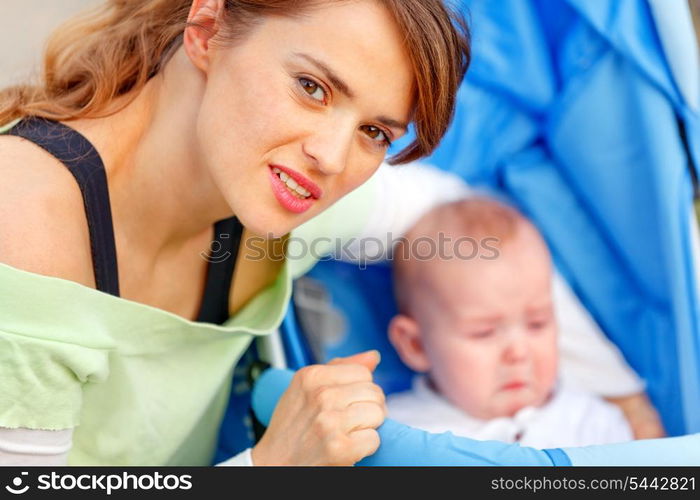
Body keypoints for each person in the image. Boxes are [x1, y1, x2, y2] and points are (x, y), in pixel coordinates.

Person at [0, 0, 470, 465]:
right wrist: (273, 466)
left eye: (374, 132)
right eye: (312, 87)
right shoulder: (26, 225)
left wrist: (521, 335)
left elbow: (448, 211)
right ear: (206, 28)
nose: (332, 158)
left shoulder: (279, 183)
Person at [386, 198, 639, 447]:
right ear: (416, 345)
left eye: (537, 324)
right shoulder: (395, 436)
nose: (518, 353)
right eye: (484, 333)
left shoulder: (594, 424)